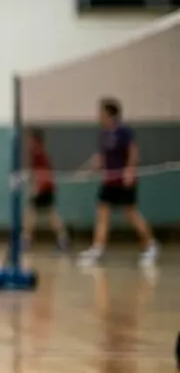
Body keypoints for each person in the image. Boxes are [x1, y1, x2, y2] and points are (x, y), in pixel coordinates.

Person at [77, 98, 157, 267]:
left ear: (109, 114)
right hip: (109, 180)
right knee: (102, 212)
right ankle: (97, 248)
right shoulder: (103, 133)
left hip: (124, 180)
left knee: (131, 214)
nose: (98, 115)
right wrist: (86, 170)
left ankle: (151, 246)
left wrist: (129, 170)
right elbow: (101, 158)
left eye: (100, 112)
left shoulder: (124, 131)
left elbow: (133, 152)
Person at [22, 128, 68, 251]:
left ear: (35, 140)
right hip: (45, 187)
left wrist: (35, 189)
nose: (27, 142)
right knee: (47, 213)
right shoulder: (37, 152)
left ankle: (26, 241)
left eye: (29, 139)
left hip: (43, 188)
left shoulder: (38, 153)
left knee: (34, 213)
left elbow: (42, 173)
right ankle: (62, 239)